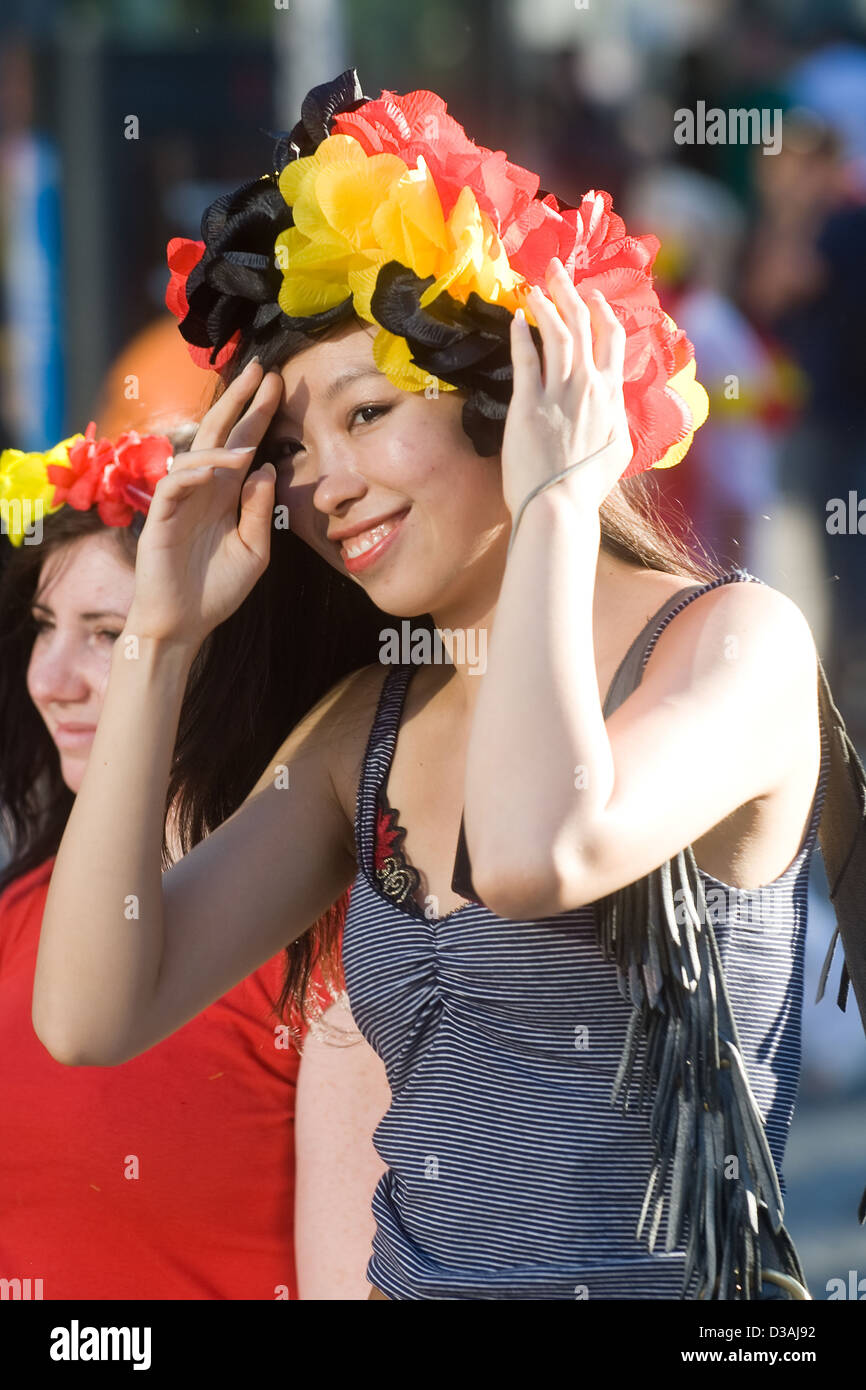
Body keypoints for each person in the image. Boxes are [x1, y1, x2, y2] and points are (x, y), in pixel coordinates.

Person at [32, 71, 835, 1300]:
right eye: (293, 448)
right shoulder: (371, 721)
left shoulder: (734, 646)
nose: (325, 485)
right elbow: (92, 1012)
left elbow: (531, 852)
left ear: (510, 388)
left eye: (367, 413)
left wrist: (558, 499)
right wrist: (158, 635)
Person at [0, 421, 386, 1299]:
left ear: (226, 634)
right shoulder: (20, 907)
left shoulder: (333, 946)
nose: (52, 679)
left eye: (108, 633)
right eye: (42, 627)